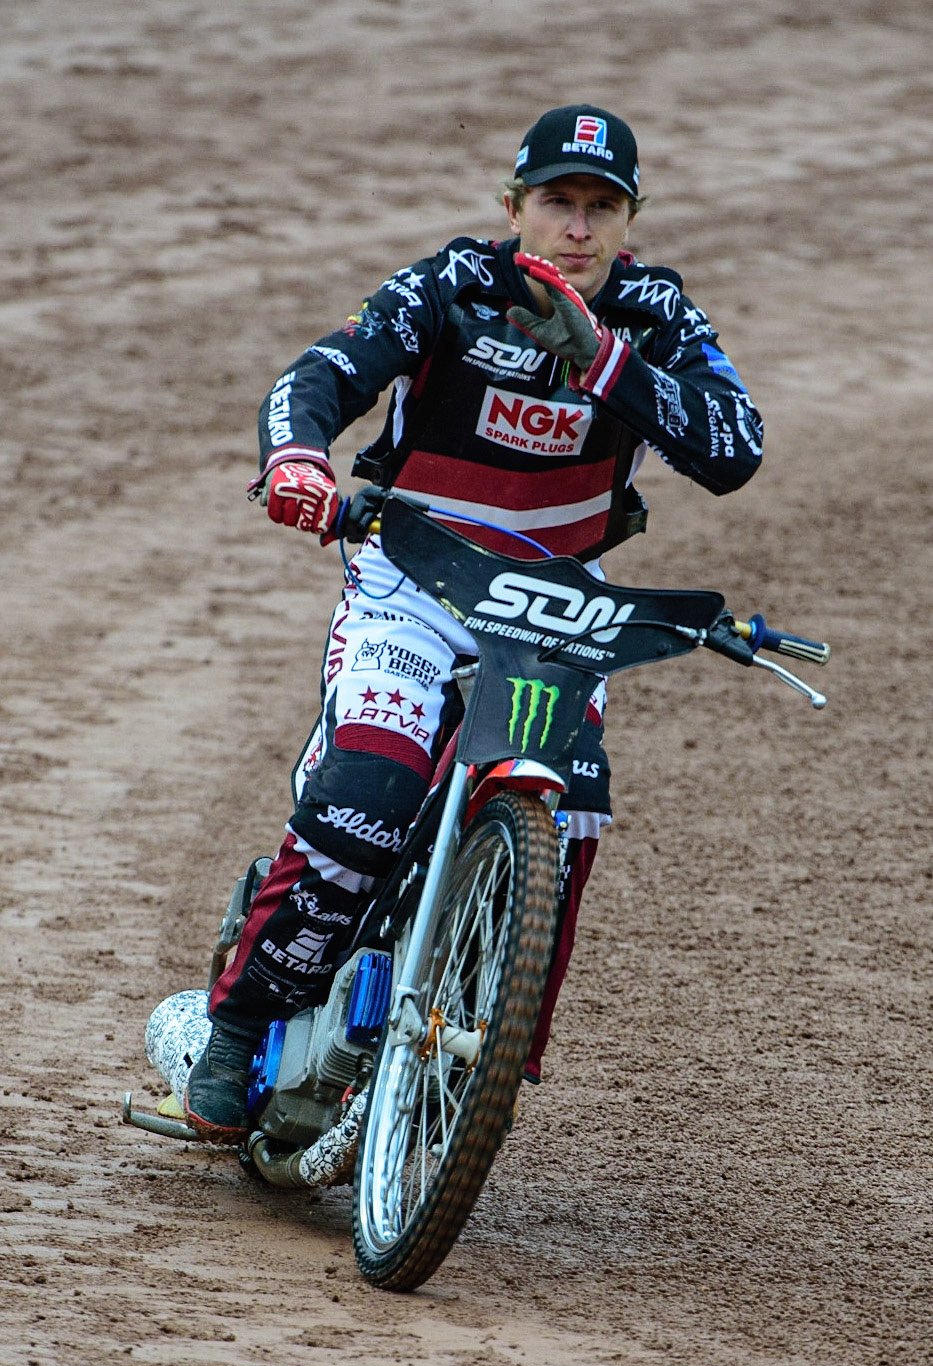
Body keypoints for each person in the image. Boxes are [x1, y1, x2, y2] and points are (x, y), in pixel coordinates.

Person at [184, 103, 763, 1142]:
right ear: (515, 208)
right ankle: (239, 1021)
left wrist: (605, 365)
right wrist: (299, 461)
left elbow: (735, 448)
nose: (578, 228)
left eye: (601, 206)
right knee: (367, 793)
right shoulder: (452, 284)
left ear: (629, 220)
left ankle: (490, 1054)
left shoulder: (657, 315)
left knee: (576, 811)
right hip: (412, 579)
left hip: (554, 608)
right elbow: (317, 374)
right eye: (557, 202)